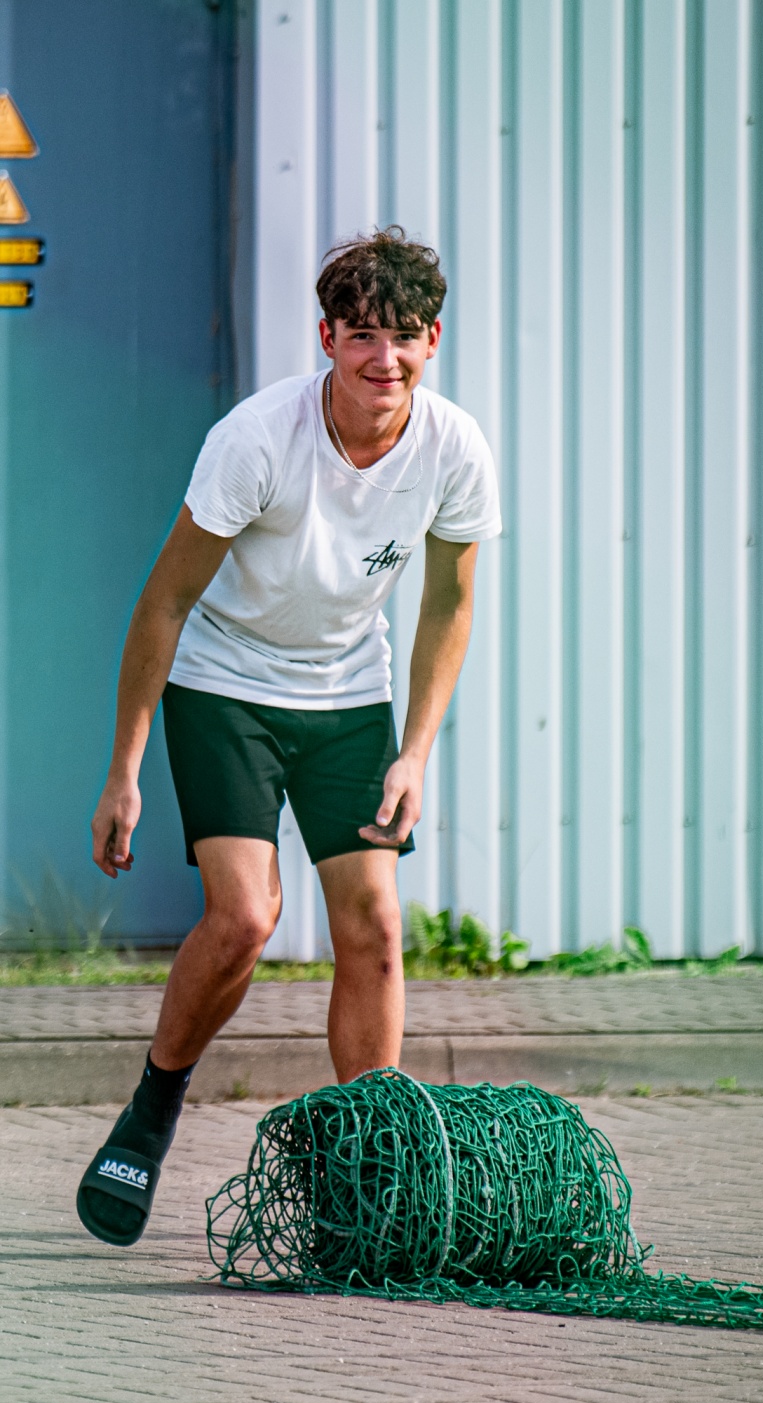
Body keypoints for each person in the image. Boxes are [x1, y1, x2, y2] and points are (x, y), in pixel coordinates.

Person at [76, 227, 501, 1246]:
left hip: (349, 698)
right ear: (327, 339)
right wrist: (125, 770)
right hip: (226, 686)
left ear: (433, 340)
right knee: (244, 918)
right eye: (362, 337)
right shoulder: (258, 439)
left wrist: (415, 752)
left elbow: (449, 605)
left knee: (376, 925)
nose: (384, 360)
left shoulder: (454, 448)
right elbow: (164, 602)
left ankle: (372, 1178)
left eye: (404, 337)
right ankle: (154, 1107)